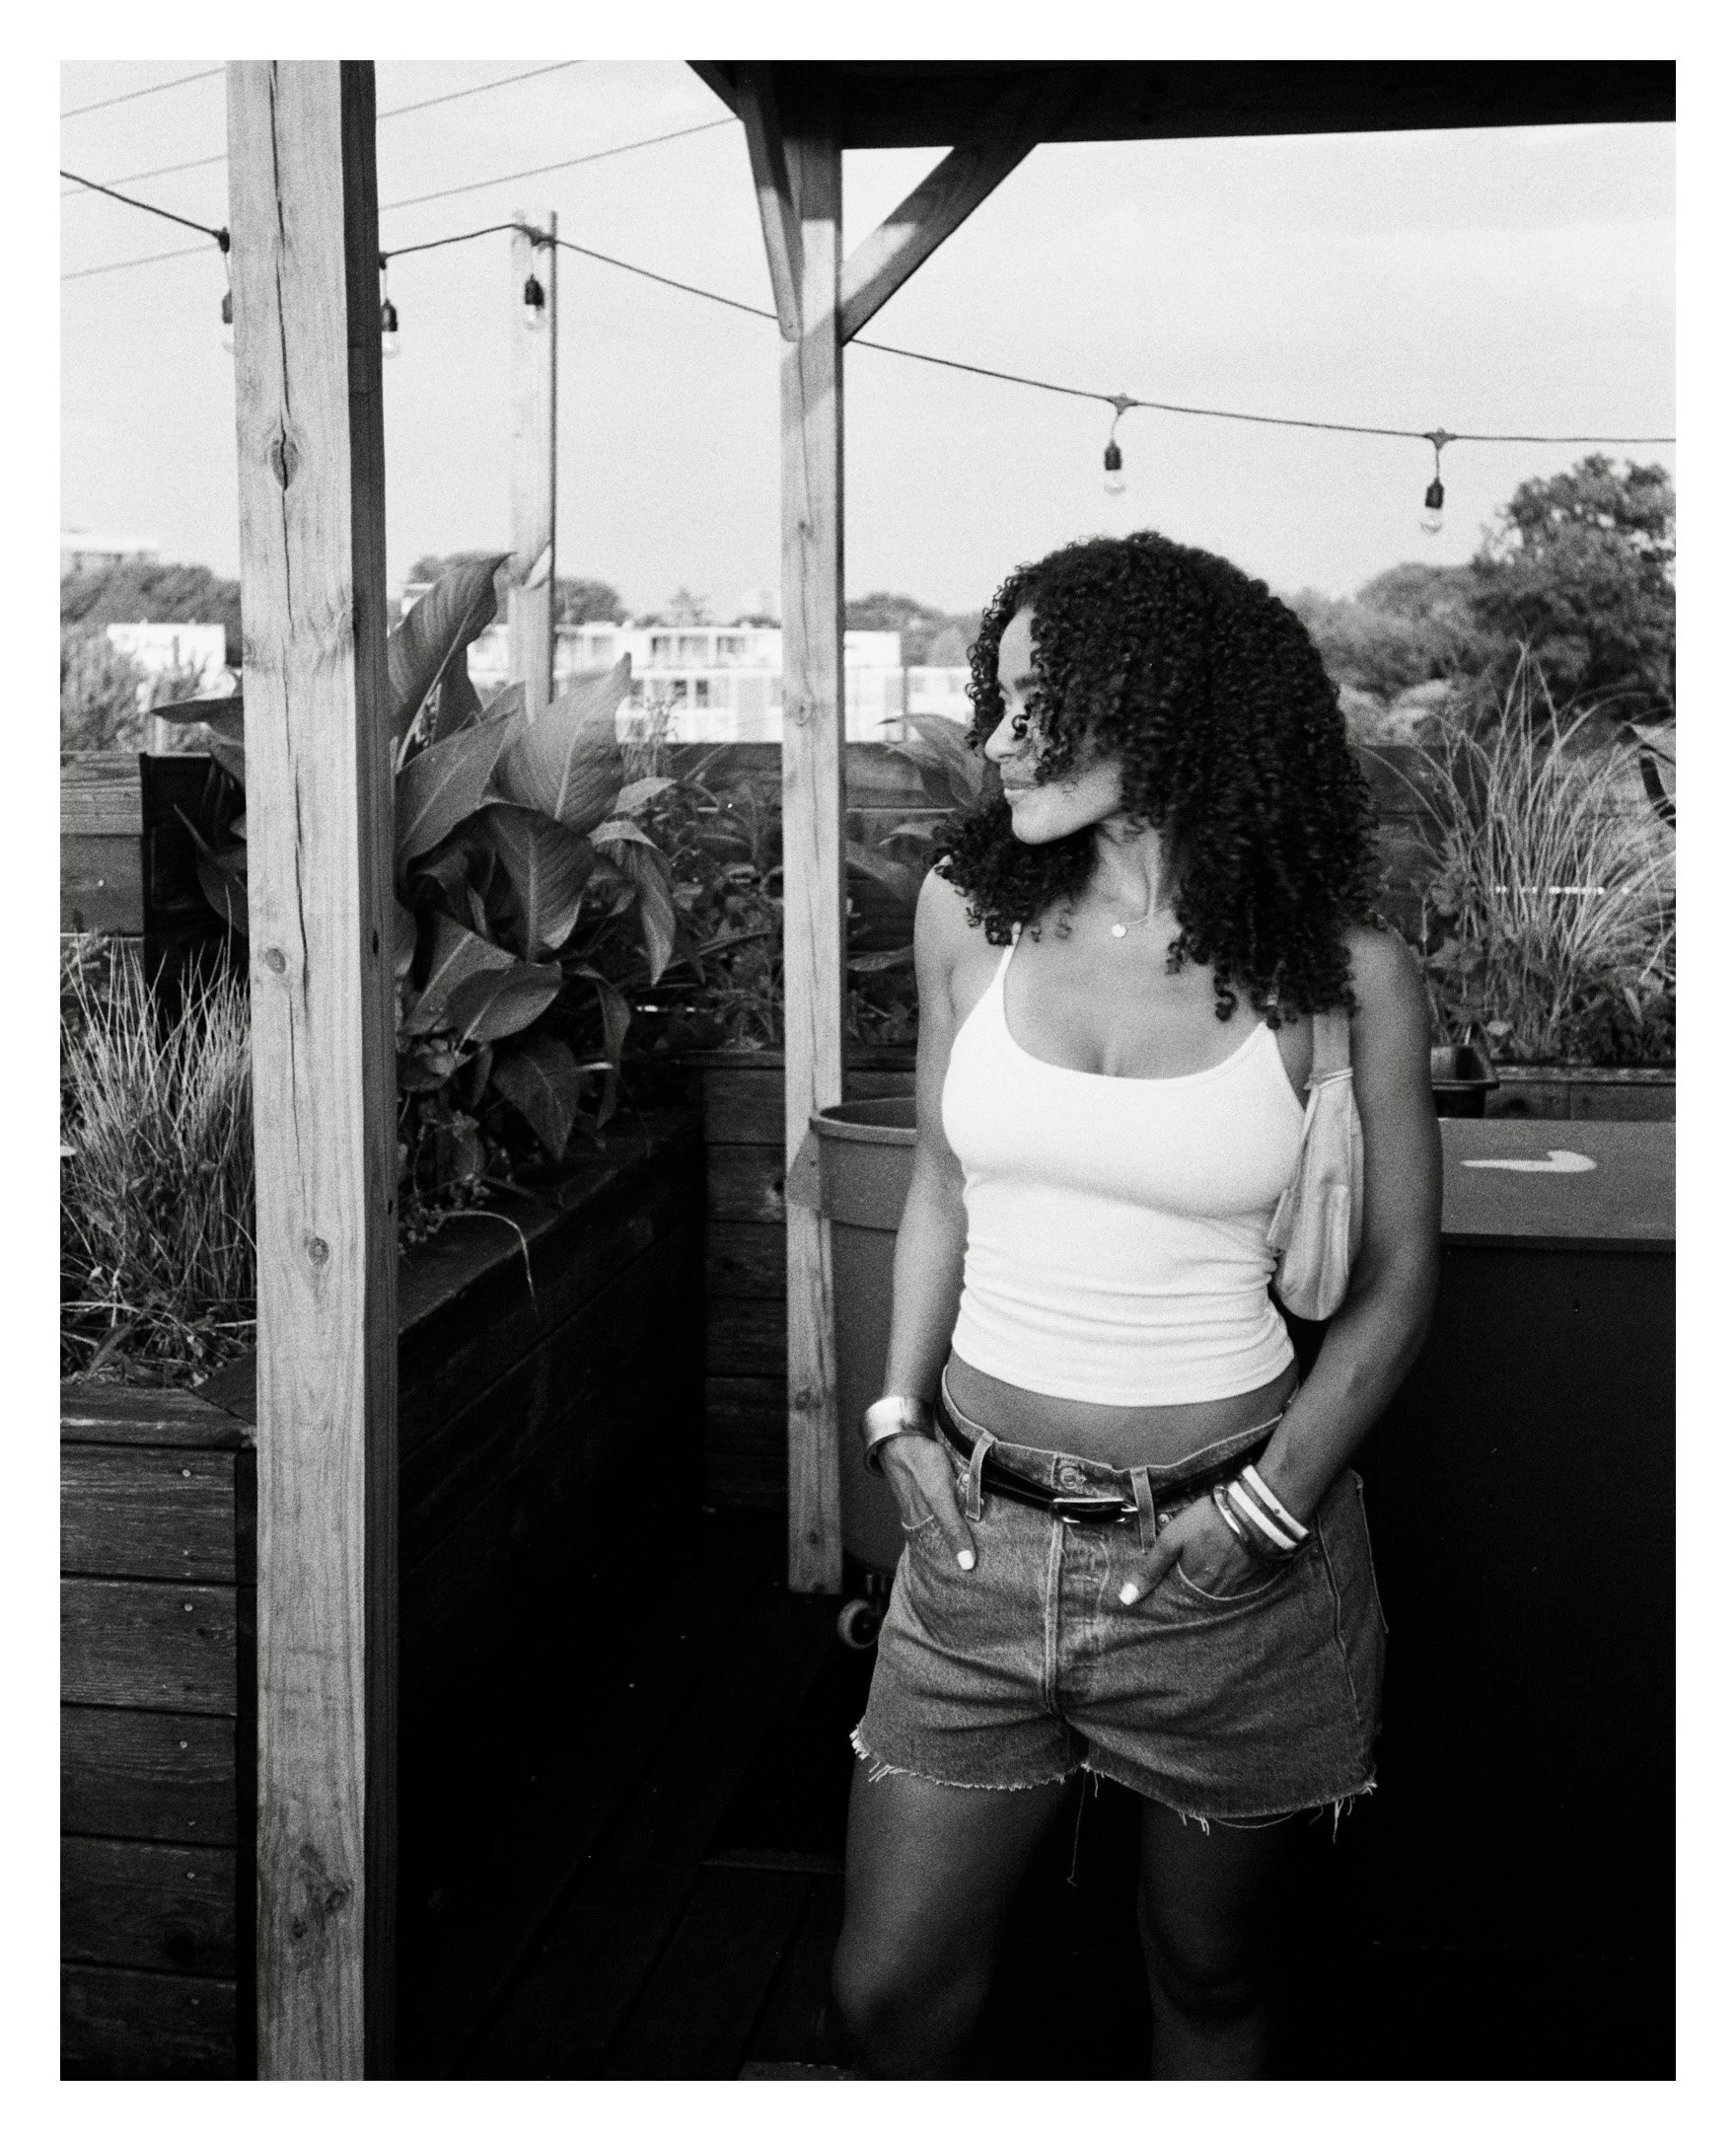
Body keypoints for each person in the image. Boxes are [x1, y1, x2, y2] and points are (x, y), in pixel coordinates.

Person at [831, 531, 1442, 2079]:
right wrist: (894, 1409)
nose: (998, 737)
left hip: (1226, 1567)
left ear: (1165, 707)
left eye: (1044, 702)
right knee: (888, 1995)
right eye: (1000, 697)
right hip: (977, 1549)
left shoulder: (1339, 971)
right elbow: (943, 1185)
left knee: (1210, 1983)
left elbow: (1396, 1280)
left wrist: (1271, 1511)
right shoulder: (966, 915)